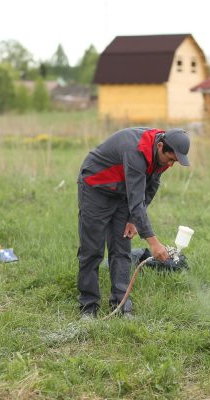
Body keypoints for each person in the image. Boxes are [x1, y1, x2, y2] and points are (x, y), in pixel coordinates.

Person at [77, 127, 190, 318]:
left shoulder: (161, 153)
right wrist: (154, 243)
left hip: (122, 193)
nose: (171, 164)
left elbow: (150, 187)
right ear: (160, 146)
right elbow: (136, 200)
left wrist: (132, 220)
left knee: (121, 250)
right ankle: (88, 307)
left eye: (175, 161)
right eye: (170, 159)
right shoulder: (136, 151)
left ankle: (121, 306)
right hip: (96, 187)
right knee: (92, 250)